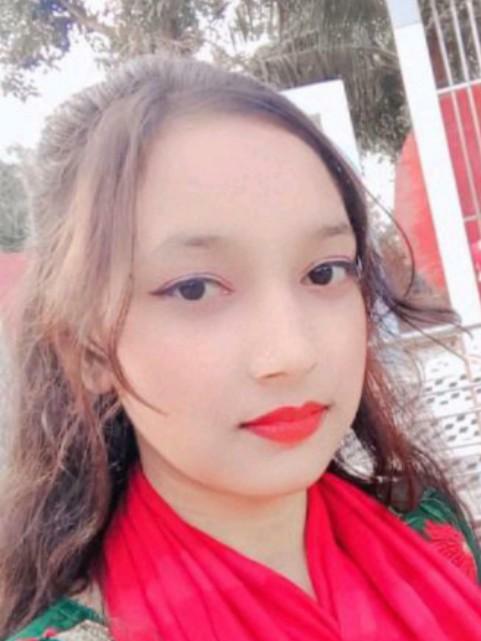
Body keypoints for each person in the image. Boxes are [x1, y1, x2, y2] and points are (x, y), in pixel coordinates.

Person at [0, 54, 480, 641]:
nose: (292, 353)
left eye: (325, 272)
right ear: (90, 351)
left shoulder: (433, 534)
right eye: (195, 288)